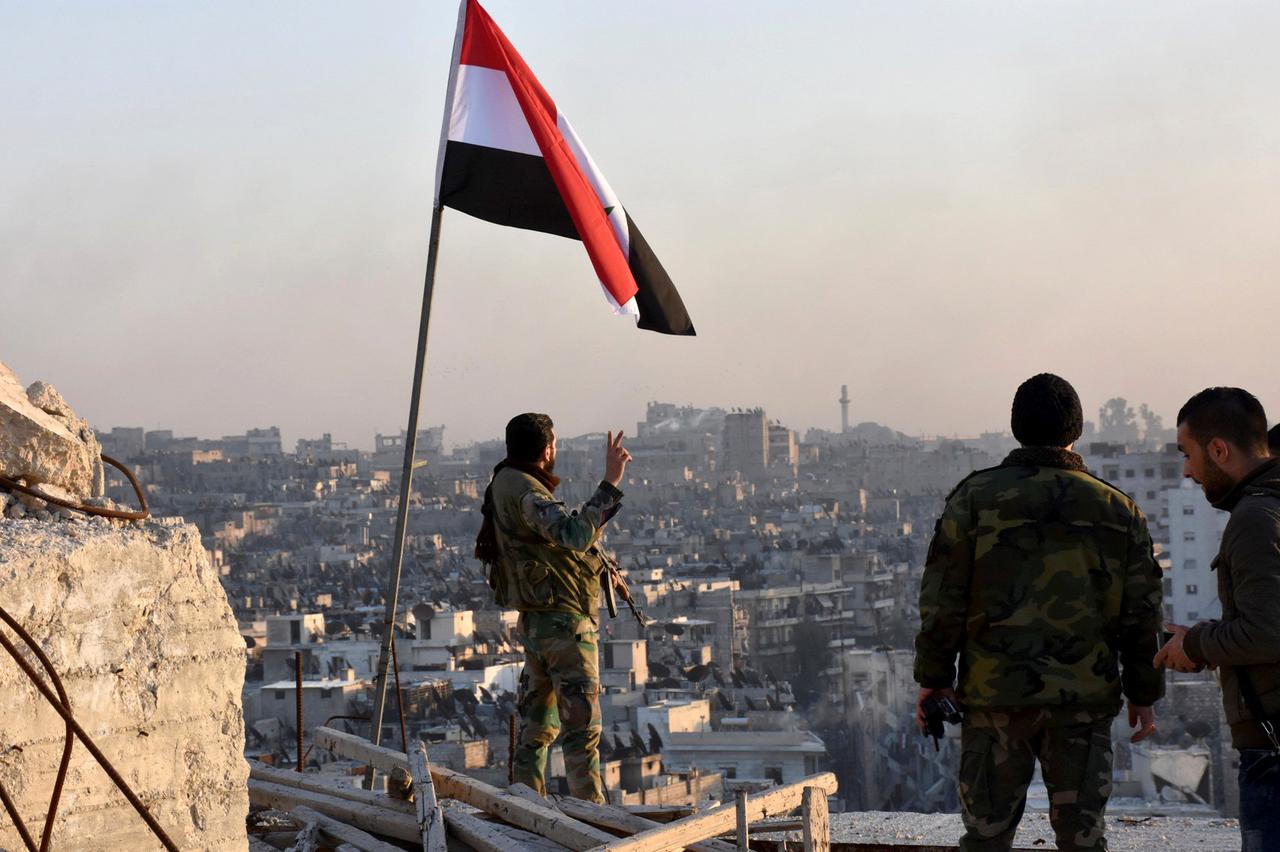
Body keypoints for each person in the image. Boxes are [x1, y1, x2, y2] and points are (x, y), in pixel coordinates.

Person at [914, 373, 1163, 852]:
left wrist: (934, 679)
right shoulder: (1117, 509)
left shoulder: (974, 499)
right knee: (1082, 839)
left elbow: (943, 600)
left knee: (985, 838)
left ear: (1017, 428)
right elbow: (1141, 614)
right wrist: (1143, 693)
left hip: (994, 698)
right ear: (1076, 429)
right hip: (1082, 701)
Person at [474, 413, 631, 803]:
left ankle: (526, 812)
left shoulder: (504, 482)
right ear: (546, 450)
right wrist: (611, 481)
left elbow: (550, 549)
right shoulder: (527, 491)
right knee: (581, 731)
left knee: (537, 728)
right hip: (565, 625)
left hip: (538, 621)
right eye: (555, 445)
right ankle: (593, 822)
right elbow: (573, 534)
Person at [1155, 388, 1280, 852]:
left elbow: (1266, 633)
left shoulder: (1256, 517)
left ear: (1219, 450)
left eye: (1188, 455)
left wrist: (1194, 645)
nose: (1187, 471)